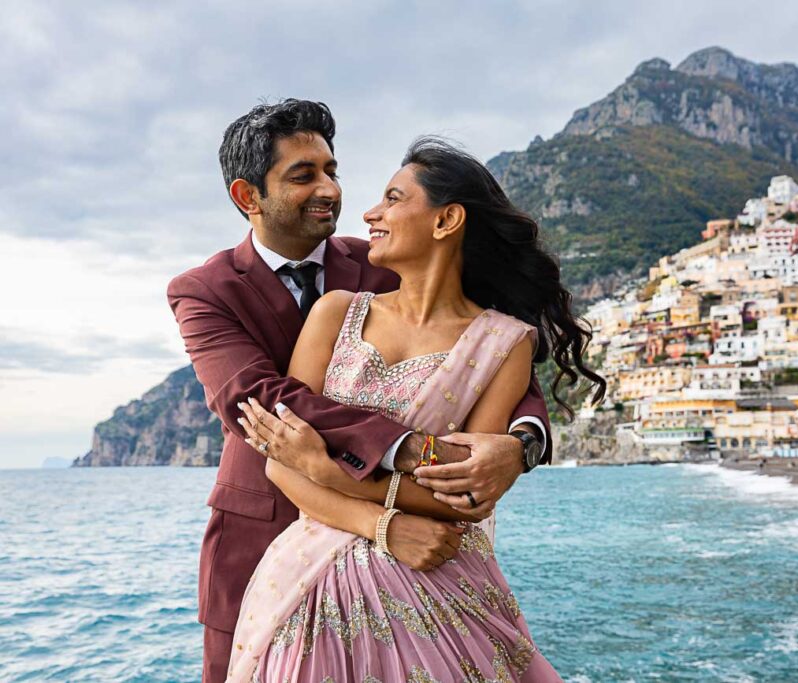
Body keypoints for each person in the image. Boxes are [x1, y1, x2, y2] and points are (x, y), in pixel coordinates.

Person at [168, 100, 554, 682]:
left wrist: (523, 441)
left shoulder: (383, 258)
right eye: (304, 175)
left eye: (332, 170)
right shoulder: (205, 290)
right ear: (248, 197)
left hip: (424, 552)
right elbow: (258, 399)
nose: (330, 189)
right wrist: (407, 452)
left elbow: (485, 345)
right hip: (263, 540)